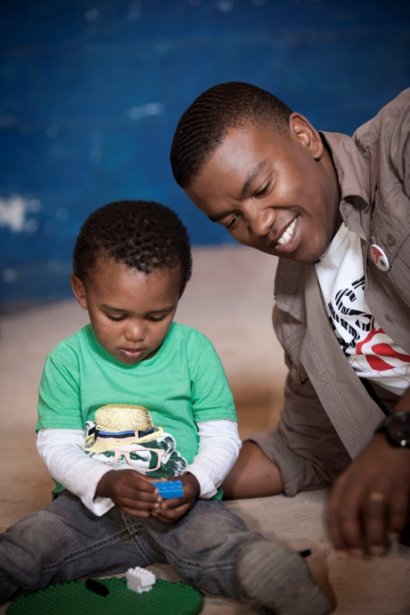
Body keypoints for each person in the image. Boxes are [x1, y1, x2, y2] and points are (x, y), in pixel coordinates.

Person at [0, 199, 331, 614]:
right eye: (116, 315)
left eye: (158, 315)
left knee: (219, 538)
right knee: (28, 545)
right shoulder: (68, 361)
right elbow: (57, 446)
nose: (136, 333)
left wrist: (195, 481)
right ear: (81, 291)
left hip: (173, 491)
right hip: (89, 502)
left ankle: (275, 577)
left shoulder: (194, 351)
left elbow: (220, 436)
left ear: (179, 294)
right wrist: (105, 481)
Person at [170, 82, 410, 559]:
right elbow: (309, 449)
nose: (258, 225)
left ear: (304, 136)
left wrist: (397, 439)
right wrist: (183, 482)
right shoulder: (297, 310)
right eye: (232, 220)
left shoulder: (401, 143)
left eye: (261, 188)